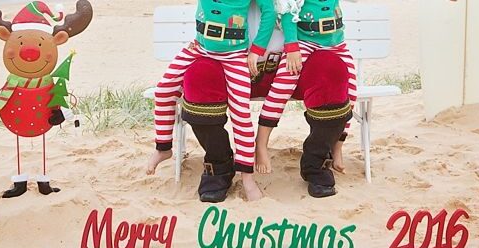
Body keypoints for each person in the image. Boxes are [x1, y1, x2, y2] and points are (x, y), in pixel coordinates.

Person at [180, 21, 352, 200]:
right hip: (230, 69)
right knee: (198, 76)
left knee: (332, 70)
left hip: (293, 69)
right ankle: (218, 164)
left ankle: (316, 162)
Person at [146, 0, 279, 201]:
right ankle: (163, 148)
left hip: (234, 56)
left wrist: (257, 49)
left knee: (241, 113)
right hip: (199, 49)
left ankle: (247, 177)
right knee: (164, 89)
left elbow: (269, 12)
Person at [255, 0, 357, 176]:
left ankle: (337, 145)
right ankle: (261, 143)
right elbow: (287, 9)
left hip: (335, 43)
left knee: (350, 94)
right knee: (282, 85)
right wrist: (292, 45)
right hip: (303, 43)